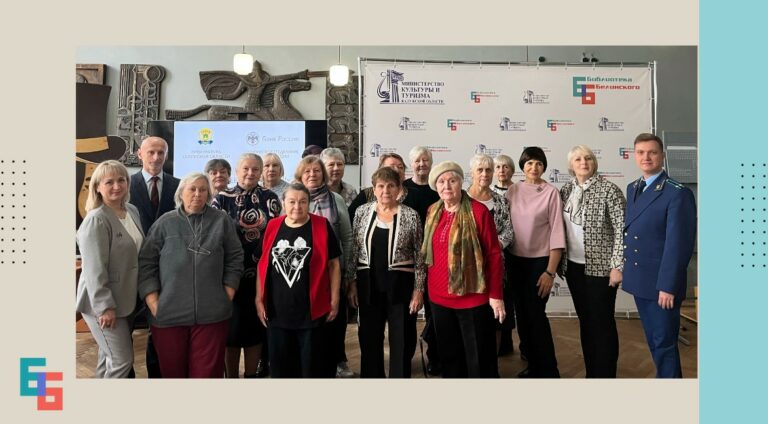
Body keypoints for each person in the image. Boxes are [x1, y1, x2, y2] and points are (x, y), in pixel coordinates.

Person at [138, 173, 244, 378]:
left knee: (207, 374)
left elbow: (235, 256)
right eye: (192, 189)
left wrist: (228, 291)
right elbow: (146, 263)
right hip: (168, 315)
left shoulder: (221, 220)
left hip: (212, 314)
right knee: (173, 373)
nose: (197, 194)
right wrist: (154, 303)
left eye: (203, 190)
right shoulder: (164, 222)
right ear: (181, 193)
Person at [421, 161, 505, 378]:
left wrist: (496, 295)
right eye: (441, 182)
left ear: (461, 183)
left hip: (473, 298)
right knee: (450, 357)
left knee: (479, 358)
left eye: (452, 180)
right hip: (439, 298)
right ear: (436, 187)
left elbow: (494, 255)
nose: (447, 186)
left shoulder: (479, 211)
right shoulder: (432, 210)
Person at [622, 133, 696, 378]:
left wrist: (668, 285)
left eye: (652, 152)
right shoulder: (633, 187)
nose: (646, 157)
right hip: (640, 279)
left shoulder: (677, 193)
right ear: (635, 155)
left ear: (662, 156)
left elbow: (678, 245)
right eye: (641, 152)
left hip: (661, 284)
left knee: (664, 343)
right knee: (654, 340)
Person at [255, 183, 342, 377]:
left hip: (311, 311)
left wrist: (335, 299)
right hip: (277, 311)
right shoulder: (272, 226)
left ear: (309, 203)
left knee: (311, 369)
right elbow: (263, 265)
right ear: (283, 203)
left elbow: (334, 265)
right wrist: (258, 299)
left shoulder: (321, 225)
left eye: (303, 202)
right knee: (281, 369)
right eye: (292, 202)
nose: (297, 206)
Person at [348, 167, 425, 378]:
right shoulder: (362, 212)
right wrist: (352, 282)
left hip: (401, 285)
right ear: (373, 189)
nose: (385, 191)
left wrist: (418, 290)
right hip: (368, 284)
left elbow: (420, 255)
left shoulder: (411, 215)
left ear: (399, 189)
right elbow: (354, 249)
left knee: (401, 338)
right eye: (380, 186)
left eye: (391, 186)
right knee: (369, 337)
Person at [212, 153, 282, 378]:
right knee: (231, 332)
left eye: (255, 169)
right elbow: (213, 236)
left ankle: (251, 376)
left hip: (261, 277)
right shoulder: (221, 199)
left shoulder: (270, 197)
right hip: (229, 278)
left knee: (255, 330)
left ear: (261, 172)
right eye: (246, 168)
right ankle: (232, 377)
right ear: (237, 170)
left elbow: (277, 234)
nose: (250, 173)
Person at [558, 145, 625, 378]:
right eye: (578, 159)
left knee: (602, 323)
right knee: (586, 322)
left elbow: (621, 230)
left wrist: (617, 265)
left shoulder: (609, 190)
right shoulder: (566, 190)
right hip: (574, 267)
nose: (583, 162)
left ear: (594, 162)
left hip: (601, 269)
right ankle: (591, 373)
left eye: (588, 158)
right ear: (571, 165)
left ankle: (605, 376)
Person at [76, 160, 143, 378]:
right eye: (109, 182)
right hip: (103, 304)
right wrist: (105, 307)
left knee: (108, 358)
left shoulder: (131, 210)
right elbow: (94, 270)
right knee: (122, 361)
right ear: (97, 187)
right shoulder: (96, 220)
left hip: (127, 299)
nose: (117, 186)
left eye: (121, 180)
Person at [506, 146, 565, 378]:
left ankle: (549, 370)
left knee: (536, 316)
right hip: (514, 262)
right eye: (529, 163)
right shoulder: (513, 190)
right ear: (523, 166)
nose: (534, 167)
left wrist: (550, 272)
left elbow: (557, 233)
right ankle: (532, 364)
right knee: (522, 315)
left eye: (539, 163)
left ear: (544, 167)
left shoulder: (551, 192)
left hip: (540, 264)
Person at [295, 155, 354, 377]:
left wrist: (348, 273)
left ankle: (338, 361)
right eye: (307, 171)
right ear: (300, 175)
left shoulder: (336, 199)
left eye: (317, 170)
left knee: (334, 319)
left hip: (332, 271)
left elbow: (347, 238)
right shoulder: (292, 199)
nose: (312, 174)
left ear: (323, 174)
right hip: (300, 274)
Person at [129, 136, 180, 378]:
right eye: (151, 152)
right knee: (124, 332)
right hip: (130, 268)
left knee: (159, 328)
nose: (156, 157)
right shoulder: (125, 184)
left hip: (167, 269)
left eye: (161, 152)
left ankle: (157, 378)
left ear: (166, 155)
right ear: (140, 154)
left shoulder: (179, 185)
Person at [466, 154, 515, 364]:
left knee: (495, 319)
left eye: (488, 170)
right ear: (472, 173)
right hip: (467, 269)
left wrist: (492, 248)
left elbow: (508, 232)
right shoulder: (461, 199)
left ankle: (490, 365)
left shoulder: (501, 201)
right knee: (471, 318)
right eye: (480, 170)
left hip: (496, 268)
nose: (485, 174)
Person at [402, 146, 441, 374]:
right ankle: (404, 359)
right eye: (417, 160)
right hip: (408, 263)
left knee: (435, 315)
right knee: (408, 315)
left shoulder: (439, 188)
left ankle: (435, 357)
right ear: (411, 164)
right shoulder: (402, 190)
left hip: (435, 261)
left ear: (431, 162)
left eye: (425, 160)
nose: (421, 164)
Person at [348, 153, 435, 227]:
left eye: (400, 167)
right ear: (381, 170)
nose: (397, 170)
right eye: (392, 167)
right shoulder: (367, 194)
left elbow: (425, 226)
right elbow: (350, 222)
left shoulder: (416, 195)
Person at [491, 153, 518, 357]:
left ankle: (508, 341)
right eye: (498, 167)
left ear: (512, 170)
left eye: (506, 166)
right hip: (495, 253)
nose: (502, 170)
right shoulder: (488, 192)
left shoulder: (519, 191)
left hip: (515, 250)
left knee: (509, 297)